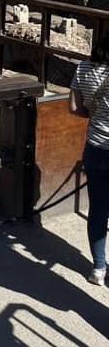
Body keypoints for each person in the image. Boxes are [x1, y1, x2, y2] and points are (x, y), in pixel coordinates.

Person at [70, 32, 109, 285]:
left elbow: (74, 107)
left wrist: (97, 117)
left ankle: (98, 268)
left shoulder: (83, 68)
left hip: (95, 147)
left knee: (98, 210)